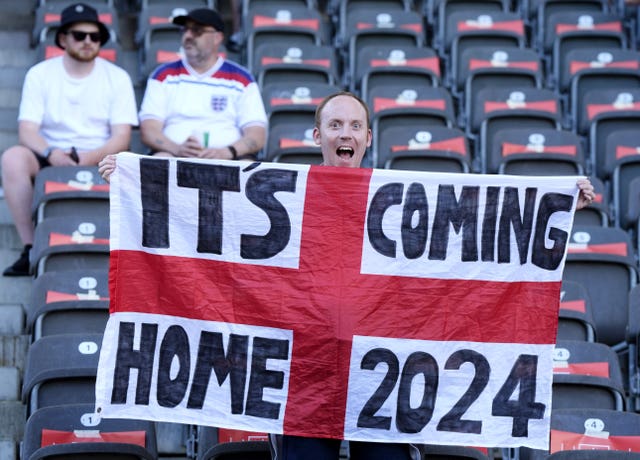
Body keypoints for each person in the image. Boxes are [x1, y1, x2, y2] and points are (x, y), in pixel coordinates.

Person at [99, 91, 596, 458]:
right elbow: (200, 209)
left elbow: (487, 216)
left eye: (354, 125)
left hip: (383, 376)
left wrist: (559, 199)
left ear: (368, 137)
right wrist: (130, 179)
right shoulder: (281, 192)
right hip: (300, 375)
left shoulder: (400, 198)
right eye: (334, 125)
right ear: (317, 136)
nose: (345, 134)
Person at [1, 2, 138, 277]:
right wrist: (52, 153)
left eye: (95, 36)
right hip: (51, 154)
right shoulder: (40, 74)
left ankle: (126, 254)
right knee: (13, 158)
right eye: (79, 35)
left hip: (101, 156)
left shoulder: (117, 77)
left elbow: (122, 137)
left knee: (135, 163)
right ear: (63, 38)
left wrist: (88, 158)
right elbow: (27, 130)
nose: (88, 41)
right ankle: (30, 247)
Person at [137, 7, 267, 160]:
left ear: (217, 37)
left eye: (197, 31)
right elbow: (149, 129)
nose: (188, 36)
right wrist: (177, 149)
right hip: (174, 157)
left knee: (247, 166)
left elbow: (257, 134)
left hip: (228, 160)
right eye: (184, 30)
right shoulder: (163, 75)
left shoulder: (241, 78)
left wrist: (227, 151)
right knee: (159, 161)